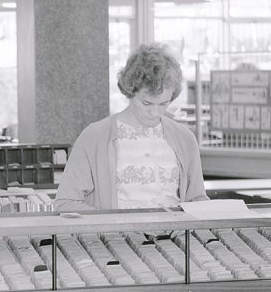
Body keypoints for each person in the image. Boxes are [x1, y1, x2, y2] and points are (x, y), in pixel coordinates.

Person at [55, 43, 207, 211]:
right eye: (146, 102)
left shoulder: (184, 138)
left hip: (174, 236)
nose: (154, 112)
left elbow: (197, 199)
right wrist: (112, 223)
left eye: (164, 104)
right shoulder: (95, 136)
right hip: (118, 235)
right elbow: (65, 203)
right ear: (130, 90)